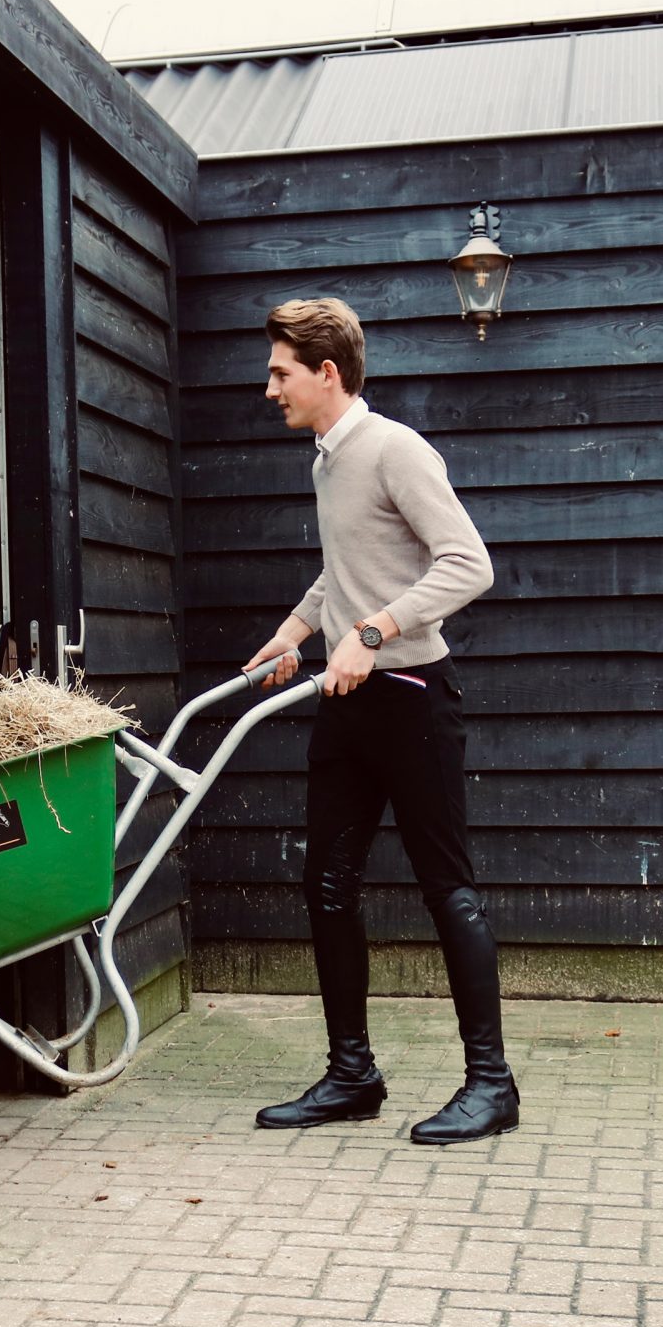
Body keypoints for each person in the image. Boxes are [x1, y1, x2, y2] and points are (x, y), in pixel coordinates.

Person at [243, 297, 518, 1146]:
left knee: (448, 888)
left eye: (280, 373)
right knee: (325, 883)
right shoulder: (328, 460)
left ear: (327, 373)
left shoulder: (394, 448)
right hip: (347, 700)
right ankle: (353, 1074)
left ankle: (492, 1084)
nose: (268, 389)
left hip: (410, 701)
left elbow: (469, 564)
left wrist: (372, 632)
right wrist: (295, 633)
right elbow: (346, 568)